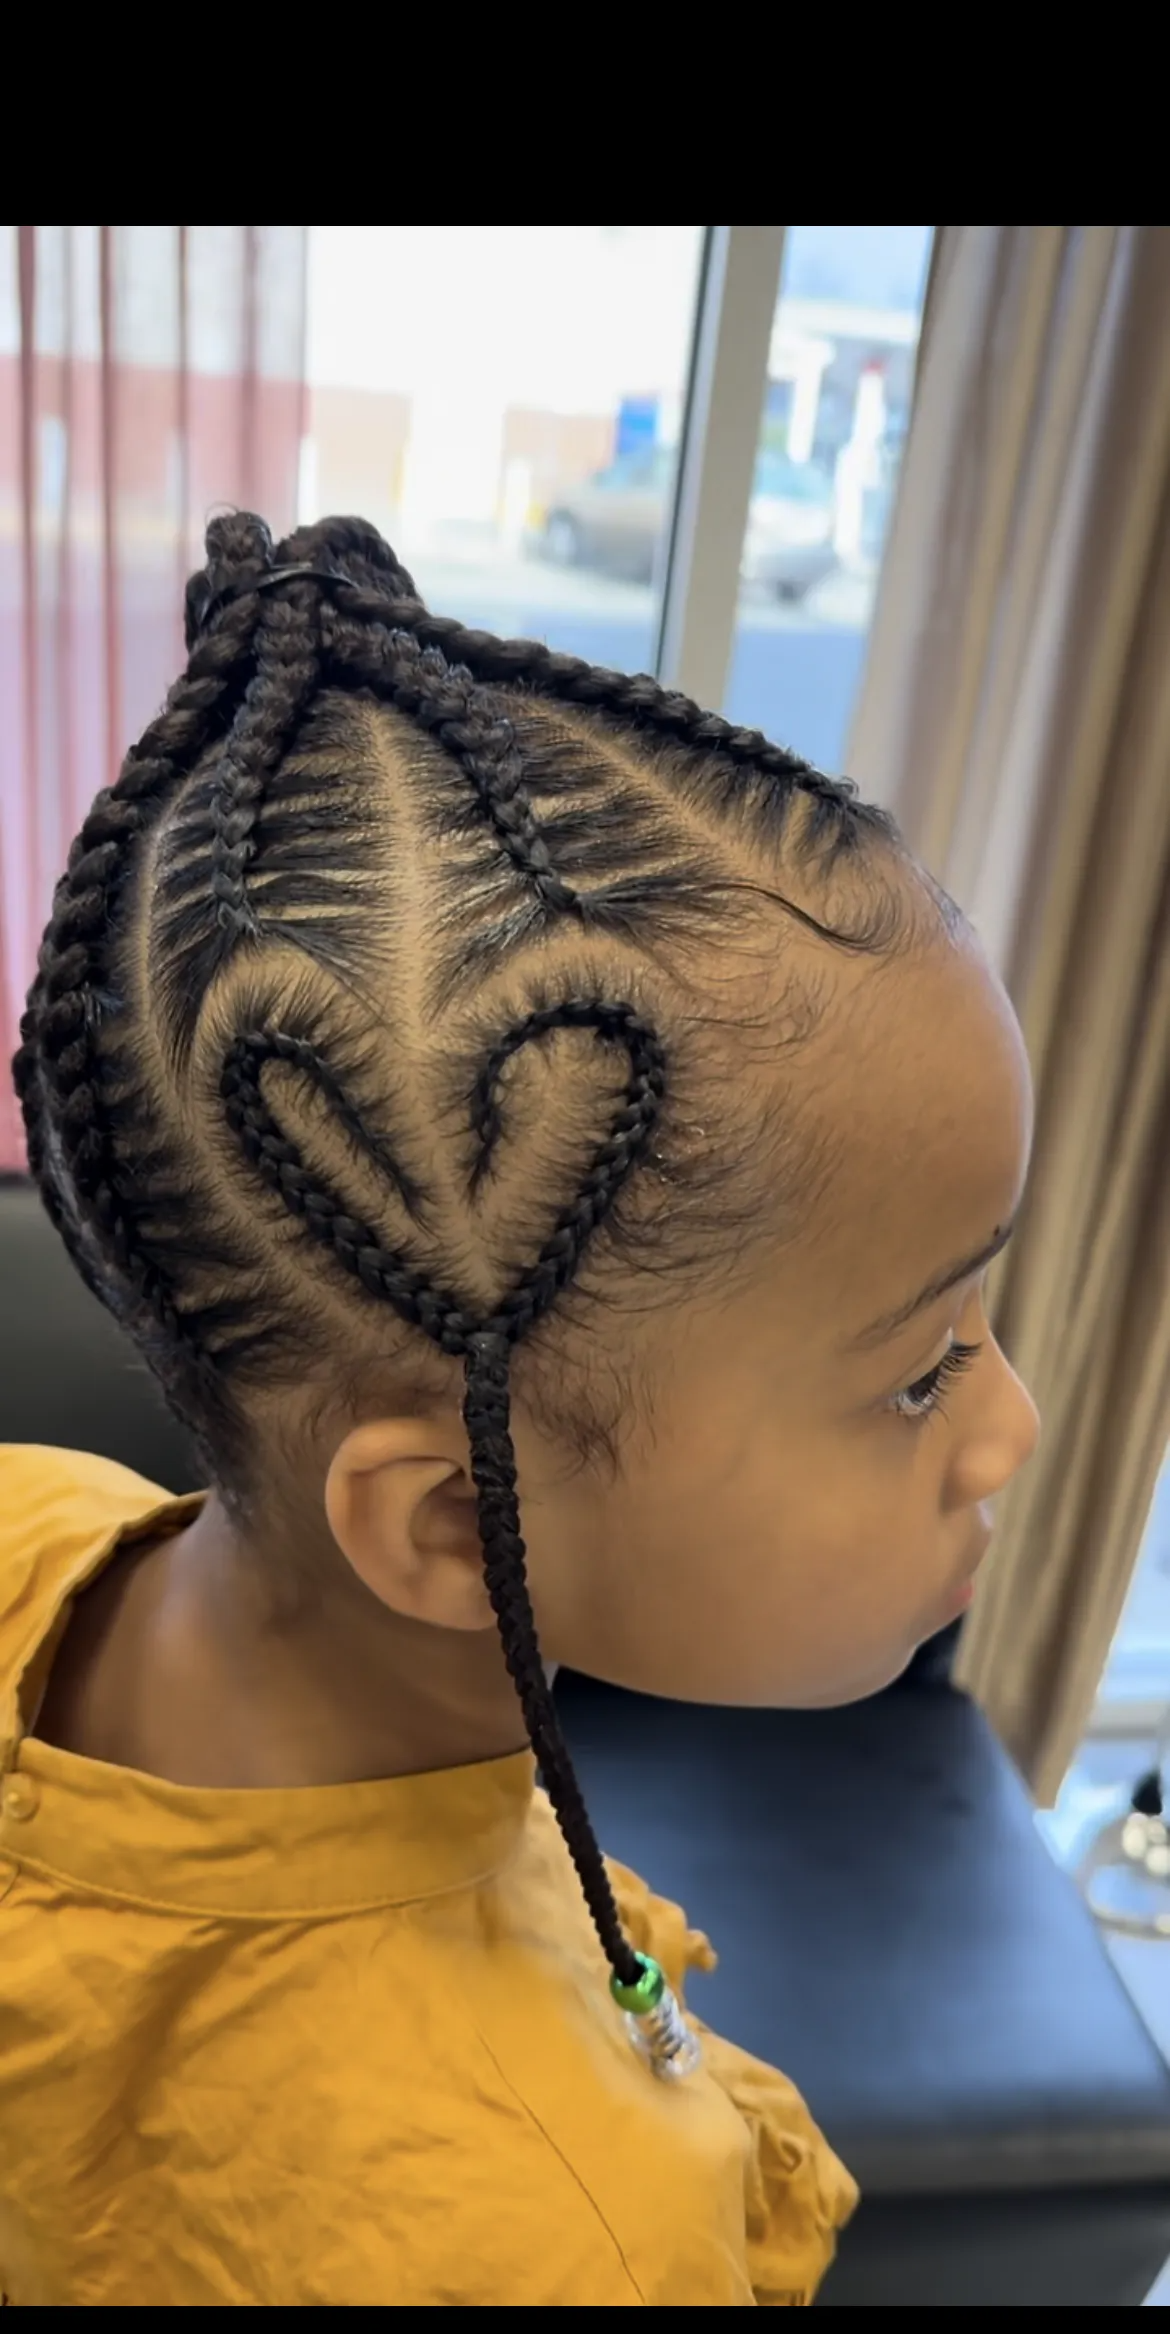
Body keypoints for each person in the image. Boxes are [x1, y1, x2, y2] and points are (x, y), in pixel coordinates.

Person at [0, 513, 1039, 2307]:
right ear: (451, 1527)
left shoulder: (28, 1518)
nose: (1005, 1424)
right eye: (918, 1365)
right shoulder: (555, 2233)